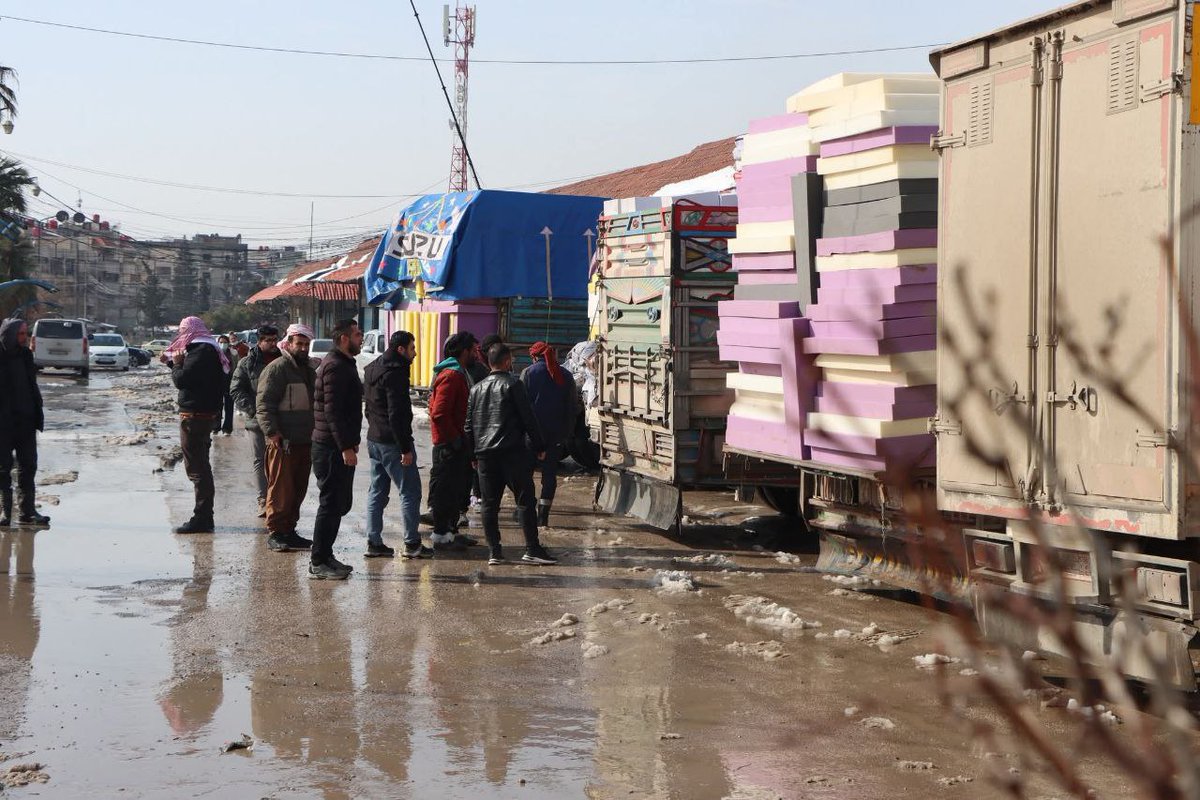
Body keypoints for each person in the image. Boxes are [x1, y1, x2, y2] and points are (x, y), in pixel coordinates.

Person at [466, 343, 556, 566]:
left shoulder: (476, 389)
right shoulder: (513, 383)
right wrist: (540, 447)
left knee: (489, 504)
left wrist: (473, 455)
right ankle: (532, 549)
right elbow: (528, 418)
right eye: (511, 360)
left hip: (485, 455)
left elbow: (468, 426)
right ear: (506, 362)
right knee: (525, 501)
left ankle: (494, 552)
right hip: (512, 453)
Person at [363, 330, 430, 559]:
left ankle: (374, 542)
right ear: (400, 349)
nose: (415, 353)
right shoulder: (396, 372)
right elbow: (397, 414)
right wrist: (404, 449)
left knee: (377, 492)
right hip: (392, 442)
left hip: (374, 439)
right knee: (410, 491)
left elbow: (368, 407)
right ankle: (412, 544)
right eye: (412, 348)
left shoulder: (372, 367)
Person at [309, 319, 364, 580]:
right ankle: (317, 561)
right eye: (357, 334)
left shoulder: (343, 364)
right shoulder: (334, 367)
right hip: (330, 449)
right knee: (330, 504)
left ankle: (327, 555)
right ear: (344, 338)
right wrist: (344, 447)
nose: (361, 338)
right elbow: (332, 412)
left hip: (339, 446)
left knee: (339, 504)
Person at [165, 316, 229, 534]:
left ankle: (202, 518)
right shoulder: (209, 350)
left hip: (195, 416)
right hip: (204, 414)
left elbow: (182, 380)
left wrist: (177, 364)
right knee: (201, 466)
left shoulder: (200, 352)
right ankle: (204, 516)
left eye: (183, 332)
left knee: (198, 468)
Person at [256, 324, 317, 553]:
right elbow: (264, 405)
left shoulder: (307, 369)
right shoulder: (277, 369)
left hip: (305, 440)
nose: (302, 348)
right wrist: (272, 433)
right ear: (289, 343)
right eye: (298, 344)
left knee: (298, 489)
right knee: (280, 490)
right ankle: (276, 533)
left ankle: (289, 531)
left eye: (305, 344)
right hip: (283, 442)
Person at [427, 331, 477, 550]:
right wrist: (454, 438)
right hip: (447, 444)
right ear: (464, 352)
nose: (476, 353)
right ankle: (441, 536)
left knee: (455, 491)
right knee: (445, 492)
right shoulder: (451, 375)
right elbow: (438, 413)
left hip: (453, 441)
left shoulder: (458, 373)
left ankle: (451, 532)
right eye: (473, 350)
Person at [520, 341, 579, 528]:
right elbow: (572, 408)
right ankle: (543, 517)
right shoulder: (567, 375)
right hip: (555, 435)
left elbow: (521, 406)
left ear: (534, 357)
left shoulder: (528, 373)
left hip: (531, 435)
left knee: (526, 474)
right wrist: (566, 434)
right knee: (549, 476)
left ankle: (526, 512)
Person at [0, 320, 48, 527]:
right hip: (3, 423)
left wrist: (37, 411)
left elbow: (32, 386)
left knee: (28, 466)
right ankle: (5, 512)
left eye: (25, 333)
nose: (25, 337)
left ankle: (27, 511)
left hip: (26, 422)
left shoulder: (26, 355)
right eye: (21, 334)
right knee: (3, 468)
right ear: (9, 335)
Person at [229, 324, 281, 515]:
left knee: (279, 461)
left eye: (274, 339)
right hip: (256, 421)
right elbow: (235, 389)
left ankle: (277, 498)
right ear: (259, 341)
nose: (272, 343)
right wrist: (253, 409)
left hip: (280, 419)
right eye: (268, 340)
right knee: (260, 460)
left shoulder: (283, 360)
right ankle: (263, 499)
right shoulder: (247, 363)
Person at [216, 335, 240, 436]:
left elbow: (238, 367)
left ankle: (227, 429)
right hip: (217, 382)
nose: (223, 344)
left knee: (229, 406)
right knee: (217, 406)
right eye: (220, 342)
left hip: (230, 381)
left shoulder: (233, 354)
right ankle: (216, 427)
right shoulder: (215, 353)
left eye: (224, 342)